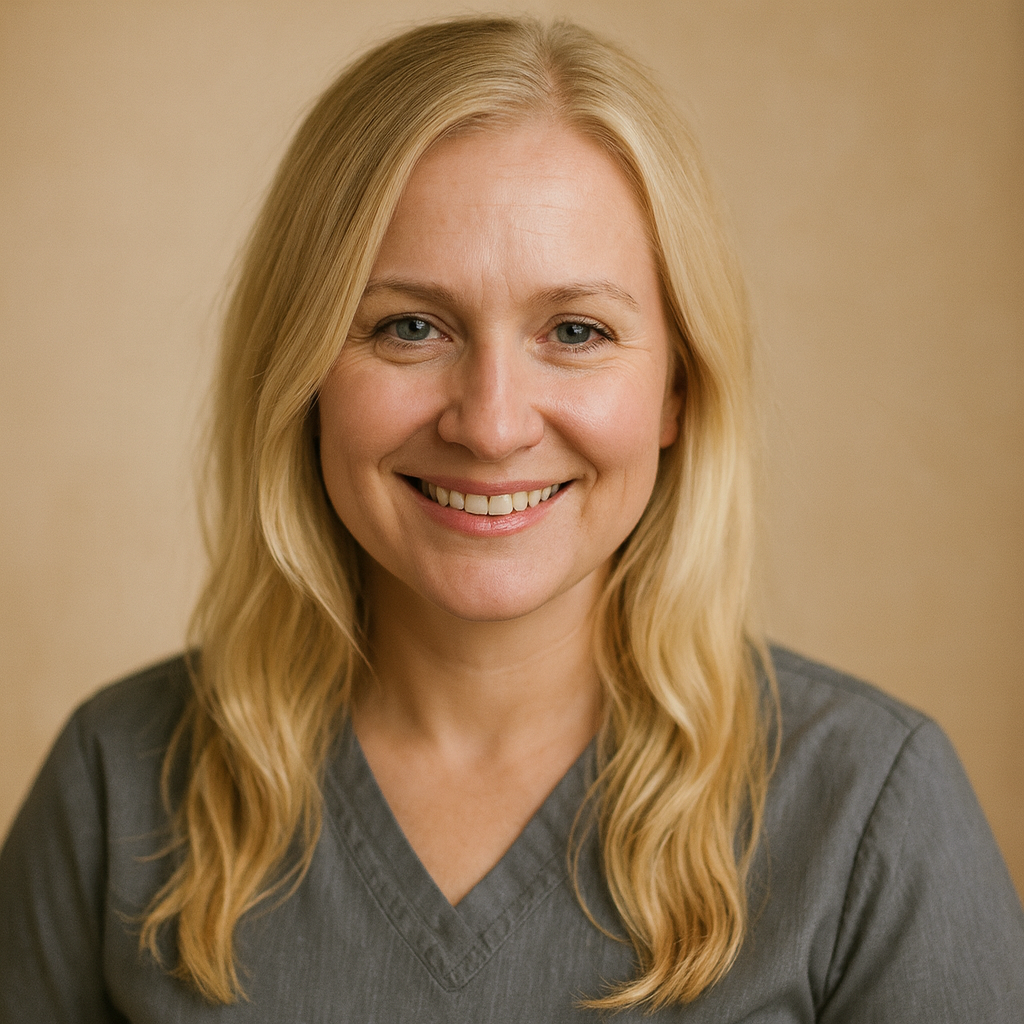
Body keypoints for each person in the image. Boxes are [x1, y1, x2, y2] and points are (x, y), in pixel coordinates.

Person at [1, 15, 1022, 1022]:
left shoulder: (869, 810)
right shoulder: (115, 784)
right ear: (302, 374)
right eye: (410, 326)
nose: (491, 425)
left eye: (575, 331)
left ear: (676, 389)